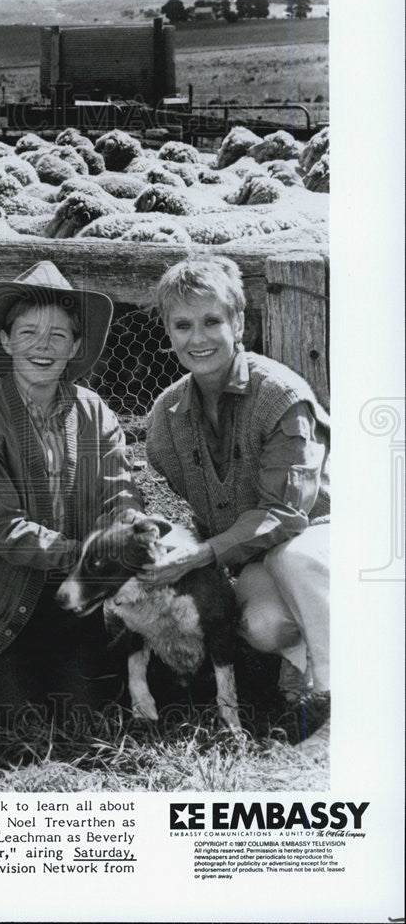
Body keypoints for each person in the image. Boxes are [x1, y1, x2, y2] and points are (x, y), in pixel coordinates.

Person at [144, 257, 330, 750]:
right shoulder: (166, 416)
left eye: (212, 321)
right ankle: (304, 663)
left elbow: (289, 514)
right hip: (256, 555)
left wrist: (205, 554)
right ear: (168, 330)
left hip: (326, 539)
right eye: (182, 325)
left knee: (297, 558)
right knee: (259, 624)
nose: (197, 338)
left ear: (239, 323)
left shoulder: (280, 395)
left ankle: (331, 698)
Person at [0, 261, 143, 720]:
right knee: (13, 713)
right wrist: (81, 554)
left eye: (59, 335)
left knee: (87, 707)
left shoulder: (95, 412)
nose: (43, 346)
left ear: (76, 346)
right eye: (28, 332)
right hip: (7, 596)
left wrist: (123, 529)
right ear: (5, 339)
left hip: (81, 595)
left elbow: (120, 492)